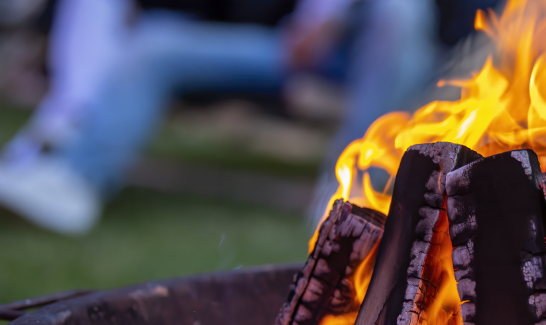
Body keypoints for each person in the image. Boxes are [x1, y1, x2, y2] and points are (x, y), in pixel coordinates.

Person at [0, 0, 437, 235]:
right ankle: (75, 177)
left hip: (357, 50)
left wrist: (328, 15)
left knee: (399, 9)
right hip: (276, 46)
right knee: (156, 46)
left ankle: (353, 194)